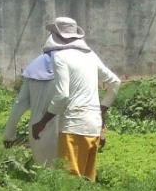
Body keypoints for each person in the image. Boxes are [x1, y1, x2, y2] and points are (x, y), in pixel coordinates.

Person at [30, 17, 121, 181]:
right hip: (93, 126)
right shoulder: (90, 56)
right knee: (87, 181)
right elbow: (115, 82)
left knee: (70, 183)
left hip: (74, 126)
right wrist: (102, 110)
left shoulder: (61, 57)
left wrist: (42, 123)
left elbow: (62, 95)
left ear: (56, 36)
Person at [2, 50, 60, 166]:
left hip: (36, 130)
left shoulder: (35, 66)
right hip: (63, 129)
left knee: (42, 171)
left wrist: (9, 135)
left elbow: (19, 104)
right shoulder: (66, 68)